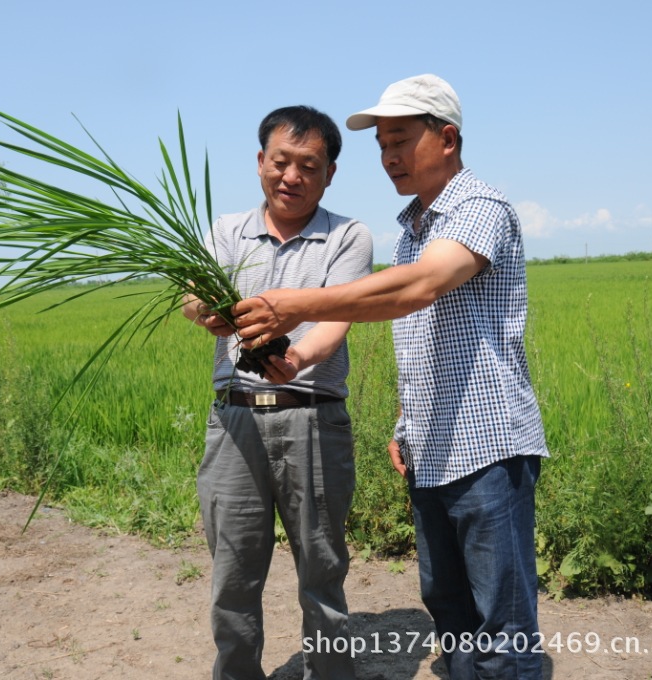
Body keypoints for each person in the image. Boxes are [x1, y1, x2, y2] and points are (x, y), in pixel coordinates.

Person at [233, 75, 549, 680]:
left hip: (488, 448)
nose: (389, 158)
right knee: (451, 611)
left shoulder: (480, 206)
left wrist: (300, 305)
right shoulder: (412, 227)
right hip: (432, 448)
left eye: (400, 141)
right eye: (381, 146)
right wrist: (407, 423)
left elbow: (419, 289)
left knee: (502, 623)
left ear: (448, 138)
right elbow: (426, 336)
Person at [182, 105, 373, 680]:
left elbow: (339, 318)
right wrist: (206, 312)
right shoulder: (225, 231)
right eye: (281, 161)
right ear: (261, 161)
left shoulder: (348, 236)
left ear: (330, 173)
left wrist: (298, 358)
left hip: (313, 418)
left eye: (308, 166)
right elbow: (192, 295)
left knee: (322, 569)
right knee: (233, 574)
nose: (291, 176)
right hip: (235, 423)